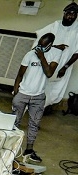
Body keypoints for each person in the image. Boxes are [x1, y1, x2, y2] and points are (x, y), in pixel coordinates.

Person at [14, 33, 60, 164]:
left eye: (44, 45)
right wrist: (16, 89)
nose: (40, 47)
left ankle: (29, 150)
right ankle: (12, 149)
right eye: (40, 44)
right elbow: (20, 73)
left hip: (38, 96)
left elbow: (49, 73)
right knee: (15, 122)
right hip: (23, 93)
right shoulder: (29, 54)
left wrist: (42, 57)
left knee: (34, 124)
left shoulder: (55, 54)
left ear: (50, 45)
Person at [37, 1, 78, 108]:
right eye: (69, 13)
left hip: (64, 65)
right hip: (48, 62)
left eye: (74, 14)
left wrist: (65, 67)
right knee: (41, 84)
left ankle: (45, 107)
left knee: (55, 89)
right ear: (64, 13)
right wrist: (56, 47)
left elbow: (77, 53)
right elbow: (40, 40)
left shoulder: (77, 30)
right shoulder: (55, 25)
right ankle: (37, 107)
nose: (71, 16)